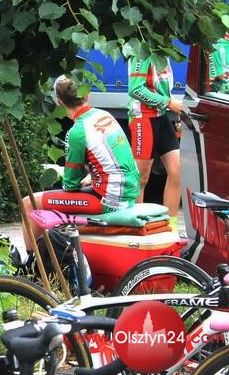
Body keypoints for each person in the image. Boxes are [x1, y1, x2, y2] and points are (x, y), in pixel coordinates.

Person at [22, 75, 140, 250]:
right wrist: (92, 176)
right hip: (129, 192)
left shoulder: (77, 132)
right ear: (87, 95)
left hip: (108, 201)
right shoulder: (104, 115)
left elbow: (70, 185)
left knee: (29, 202)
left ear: (59, 102)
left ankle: (32, 260)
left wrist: (68, 175)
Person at [127, 52, 182, 217]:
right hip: (143, 118)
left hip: (161, 116)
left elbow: (161, 86)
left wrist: (171, 104)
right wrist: (168, 102)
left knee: (178, 172)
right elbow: (135, 89)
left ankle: (171, 226)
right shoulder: (141, 50)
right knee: (141, 178)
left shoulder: (163, 50)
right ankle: (137, 225)